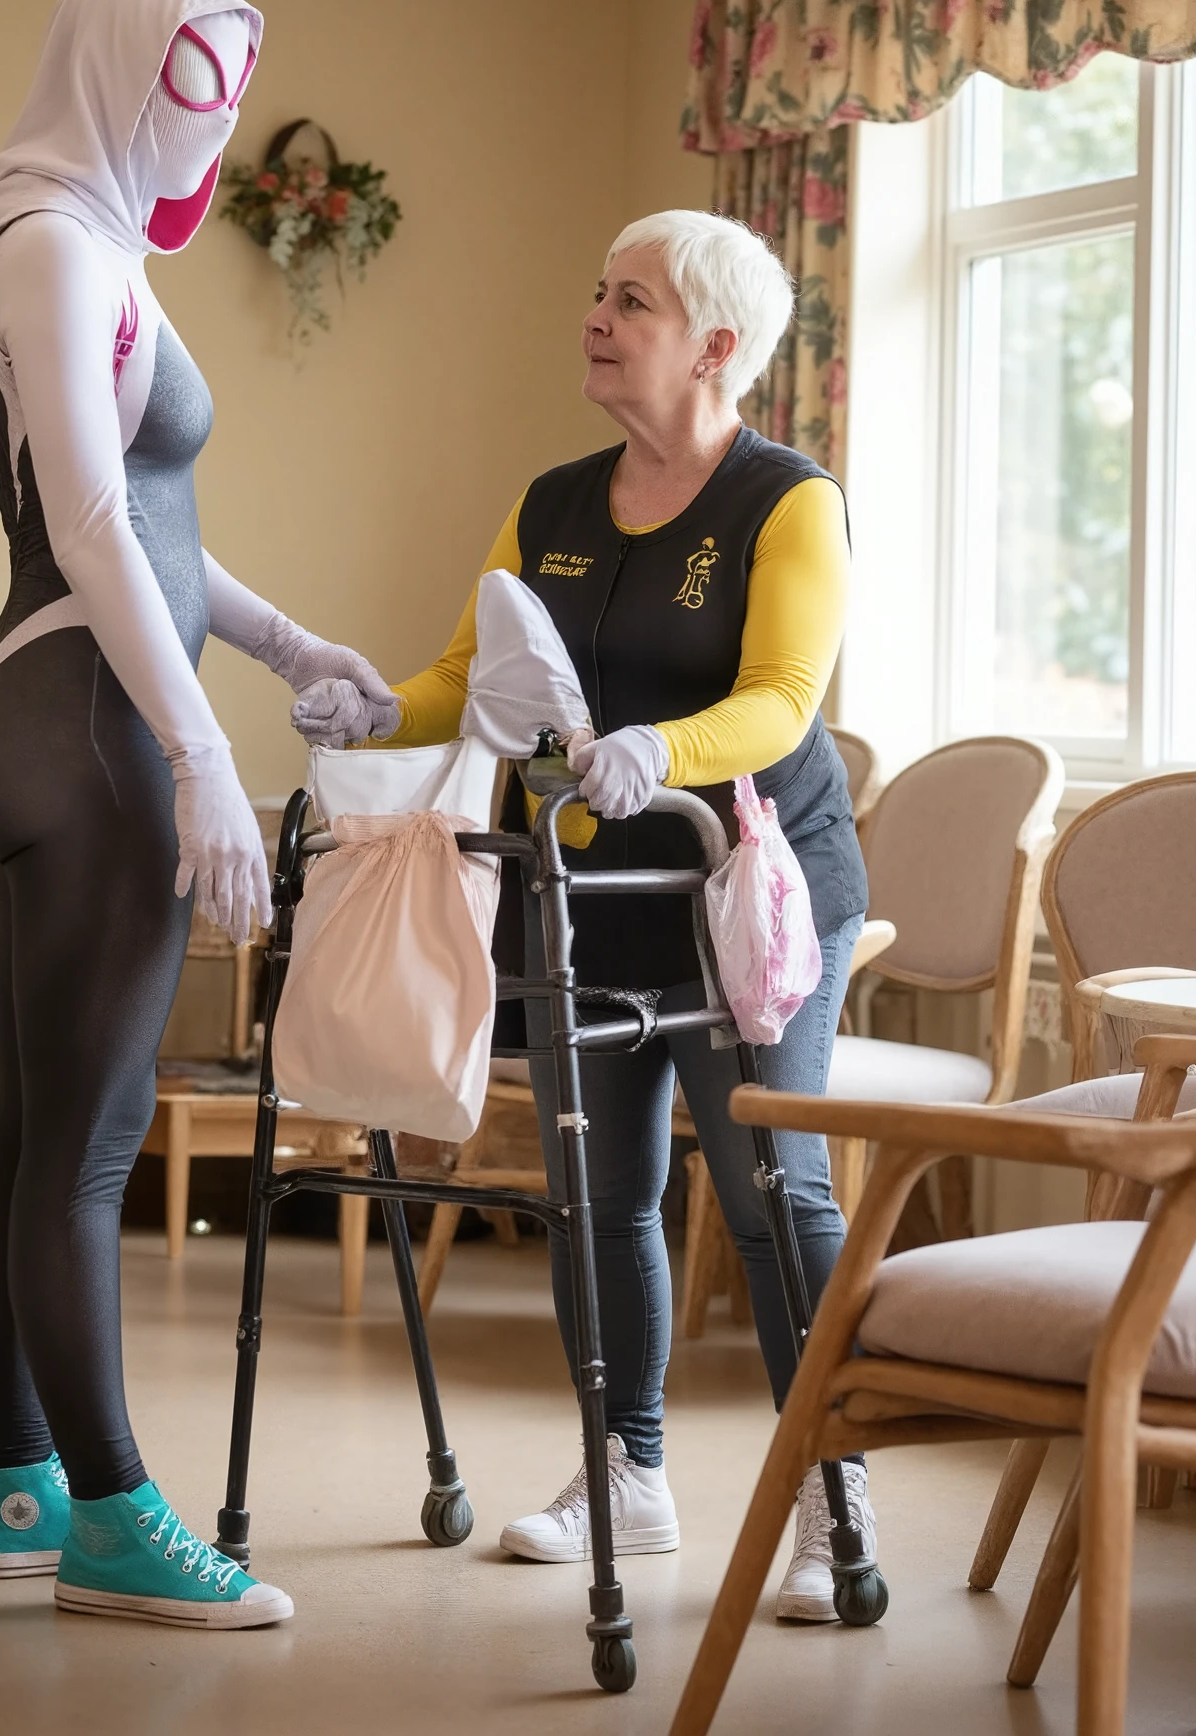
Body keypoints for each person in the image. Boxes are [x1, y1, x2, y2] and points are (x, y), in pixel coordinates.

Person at [0, 0, 396, 1630]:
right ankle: (119, 1520)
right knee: (94, 1144)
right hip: (88, 717)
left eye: (231, 83)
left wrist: (281, 648)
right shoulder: (54, 247)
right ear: (117, 70)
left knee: (40, 1130)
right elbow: (91, 528)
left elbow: (162, 534)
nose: (212, 119)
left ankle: (18, 1486)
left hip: (57, 696)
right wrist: (198, 748)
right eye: (192, 80)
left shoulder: (79, 239)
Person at [384, 209, 871, 1623]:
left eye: (633, 302)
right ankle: (628, 1474)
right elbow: (472, 675)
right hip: (597, 896)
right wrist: (368, 698)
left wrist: (661, 749)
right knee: (601, 1198)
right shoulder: (552, 503)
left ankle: (834, 1499)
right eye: (597, 291)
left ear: (716, 345)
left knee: (777, 1198)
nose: (597, 316)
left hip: (749, 894)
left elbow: (782, 700)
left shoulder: (788, 500)